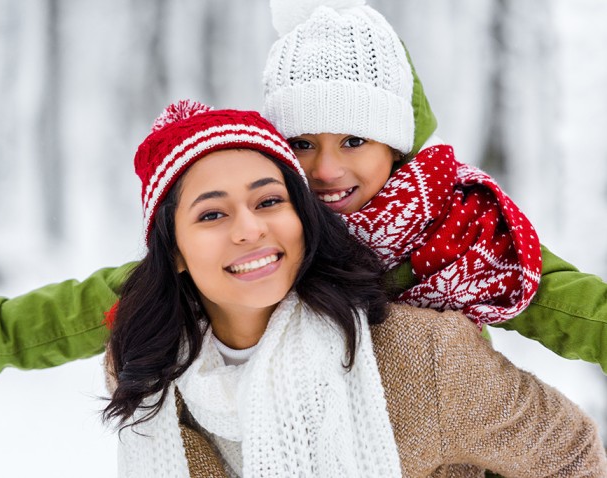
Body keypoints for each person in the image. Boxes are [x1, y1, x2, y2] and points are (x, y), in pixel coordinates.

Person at [0, 0, 606, 379]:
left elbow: (570, 309)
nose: (326, 170)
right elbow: (80, 311)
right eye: (302, 143)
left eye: (353, 141)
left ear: (394, 144)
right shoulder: (266, 235)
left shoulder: (461, 233)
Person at [102, 100, 607, 477]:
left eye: (270, 201)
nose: (249, 230)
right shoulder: (148, 368)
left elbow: (573, 456)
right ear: (173, 252)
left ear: (304, 219)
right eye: (212, 214)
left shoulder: (422, 354)